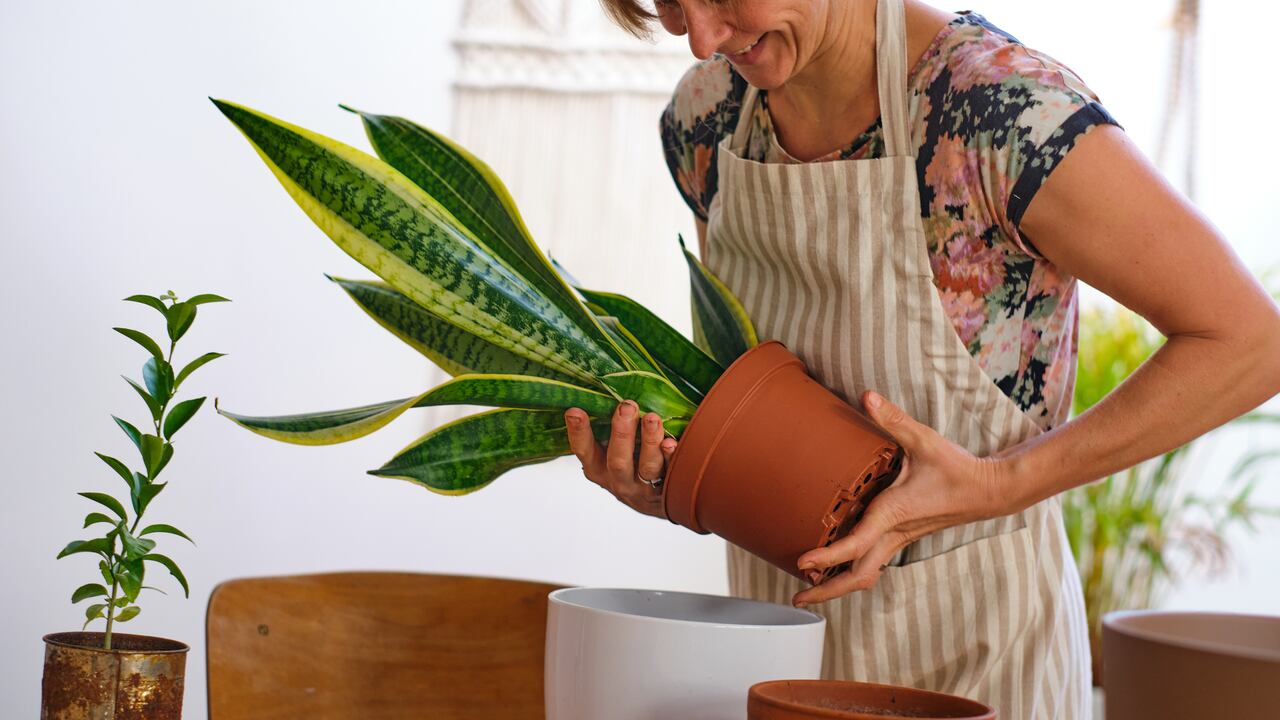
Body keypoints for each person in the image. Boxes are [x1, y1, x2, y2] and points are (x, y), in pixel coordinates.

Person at [562, 0, 1280, 715]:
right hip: (780, 666)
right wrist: (681, 483)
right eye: (669, 2)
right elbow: (747, 396)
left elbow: (1250, 342)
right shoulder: (709, 117)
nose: (700, 38)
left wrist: (998, 483)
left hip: (980, 666)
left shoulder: (998, 113)